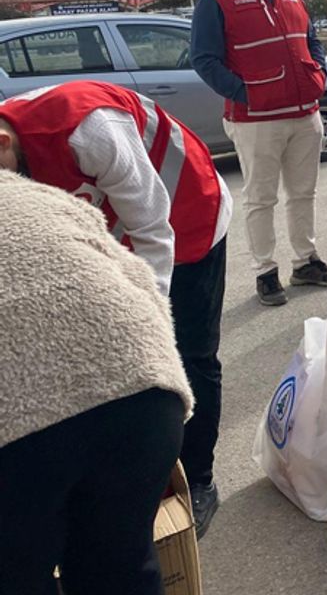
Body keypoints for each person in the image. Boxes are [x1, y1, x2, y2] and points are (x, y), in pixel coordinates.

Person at [0, 80, 231, 538]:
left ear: (3, 144)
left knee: (187, 354)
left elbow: (154, 232)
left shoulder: (88, 128)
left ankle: (198, 479)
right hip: (110, 232)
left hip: (183, 220)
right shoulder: (15, 152)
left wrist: (147, 320)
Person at [0, 169, 195, 595]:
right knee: (120, 564)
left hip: (16, 428)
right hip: (141, 396)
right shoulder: (42, 196)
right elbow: (141, 283)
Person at [192, 0, 327, 306]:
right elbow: (204, 60)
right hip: (256, 119)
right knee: (261, 198)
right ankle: (265, 271)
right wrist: (247, 94)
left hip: (304, 112)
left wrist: (319, 75)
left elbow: (311, 39)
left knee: (303, 193)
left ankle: (306, 261)